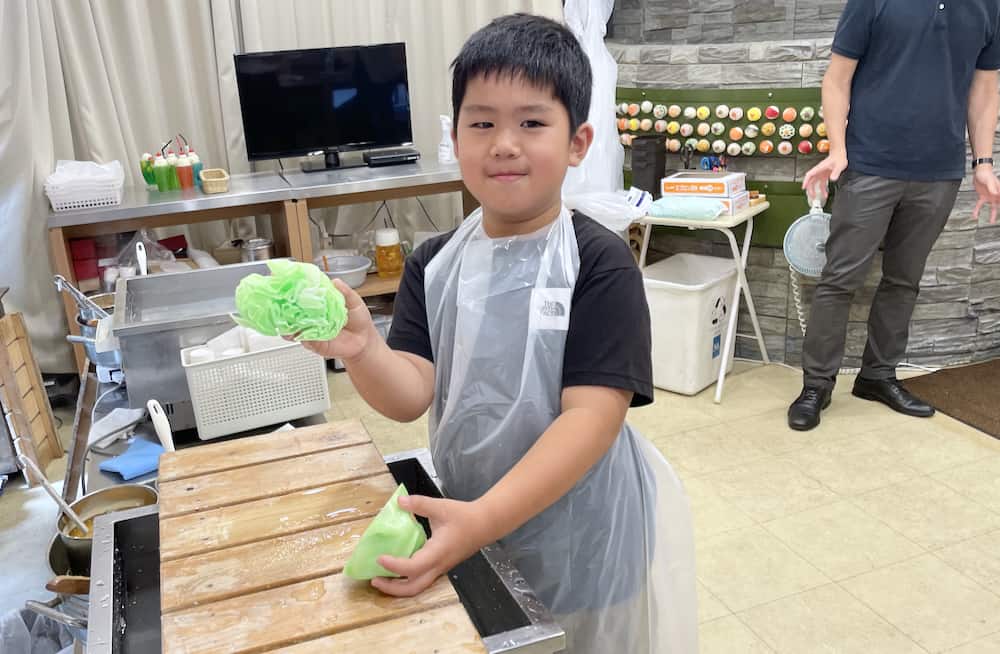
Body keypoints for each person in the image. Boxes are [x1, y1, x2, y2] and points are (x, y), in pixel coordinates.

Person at [302, 13, 697, 654]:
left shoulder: (599, 262)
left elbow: (591, 419)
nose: (503, 143)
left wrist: (482, 521)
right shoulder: (433, 262)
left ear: (578, 142)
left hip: (584, 525)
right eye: (481, 122)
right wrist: (365, 348)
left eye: (532, 122)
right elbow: (411, 394)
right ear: (455, 138)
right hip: (470, 508)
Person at [789, 0, 1000, 431]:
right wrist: (838, 148)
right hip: (869, 164)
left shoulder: (989, 6)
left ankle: (878, 375)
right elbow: (837, 78)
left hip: (939, 173)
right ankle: (816, 385)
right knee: (840, 277)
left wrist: (983, 162)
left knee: (904, 280)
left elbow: (985, 87)